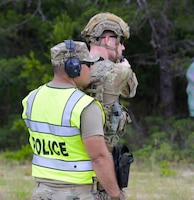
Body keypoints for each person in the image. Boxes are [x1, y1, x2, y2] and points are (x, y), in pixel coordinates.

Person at [21, 40, 124, 200]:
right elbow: (98, 158)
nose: (91, 70)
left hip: (42, 192)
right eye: (88, 65)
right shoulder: (85, 106)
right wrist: (116, 195)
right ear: (74, 67)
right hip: (78, 193)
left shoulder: (31, 99)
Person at [81, 12, 138, 151]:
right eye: (121, 41)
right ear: (107, 40)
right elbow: (130, 91)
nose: (123, 47)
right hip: (102, 149)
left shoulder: (76, 66)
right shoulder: (119, 71)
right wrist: (126, 68)